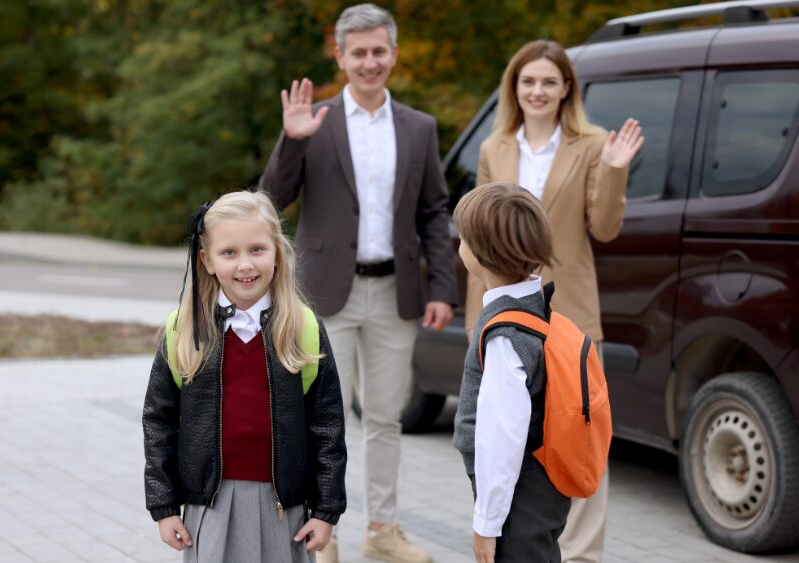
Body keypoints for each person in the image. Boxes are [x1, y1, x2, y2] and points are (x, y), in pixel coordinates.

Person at [260, 4, 457, 563]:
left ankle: (383, 532)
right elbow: (269, 202)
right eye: (359, 52)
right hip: (326, 295)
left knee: (386, 418)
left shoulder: (419, 128)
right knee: (323, 417)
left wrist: (442, 286)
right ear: (340, 56)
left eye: (379, 51)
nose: (370, 62)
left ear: (393, 54)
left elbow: (434, 211)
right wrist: (292, 140)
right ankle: (323, 535)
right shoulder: (314, 121)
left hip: (396, 293)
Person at [463, 39, 644, 563]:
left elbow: (605, 228)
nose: (537, 90)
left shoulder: (590, 145)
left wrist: (613, 168)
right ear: (513, 88)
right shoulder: (494, 148)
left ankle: (583, 555)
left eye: (548, 81)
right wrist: (482, 322)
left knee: (579, 437)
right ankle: (513, 539)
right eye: (528, 81)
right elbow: (478, 240)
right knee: (507, 437)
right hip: (507, 316)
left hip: (571, 314)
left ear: (567, 88)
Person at [142, 190, 347, 563]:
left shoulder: (302, 328)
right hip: (210, 503)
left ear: (277, 252)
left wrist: (326, 510)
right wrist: (165, 505)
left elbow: (327, 426)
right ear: (206, 260)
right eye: (229, 253)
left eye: (257, 249)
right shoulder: (184, 331)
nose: (245, 265)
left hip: (284, 505)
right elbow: (159, 422)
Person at [453, 182, 570, 562]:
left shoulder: (506, 336)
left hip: (517, 498)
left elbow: (500, 438)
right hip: (535, 491)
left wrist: (486, 525)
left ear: (480, 255)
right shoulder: (535, 305)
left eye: (463, 239)